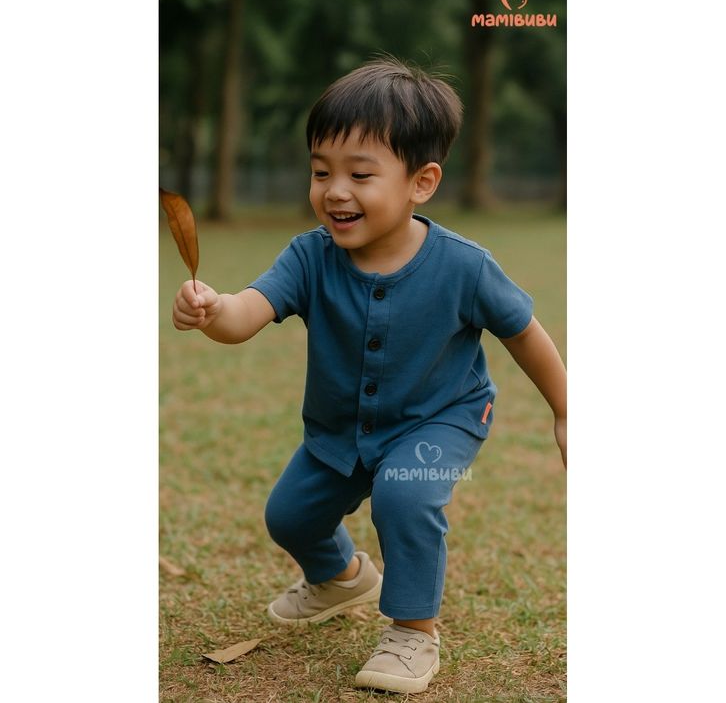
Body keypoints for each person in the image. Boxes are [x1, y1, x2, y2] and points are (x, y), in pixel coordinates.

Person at [172, 56, 566, 695]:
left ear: (422, 182)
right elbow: (247, 313)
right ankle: (341, 578)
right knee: (289, 516)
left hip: (441, 417)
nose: (335, 190)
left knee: (404, 497)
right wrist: (213, 310)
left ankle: (413, 632)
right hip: (342, 427)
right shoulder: (310, 256)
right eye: (320, 171)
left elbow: (523, 332)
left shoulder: (464, 267)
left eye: (360, 174)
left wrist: (566, 409)